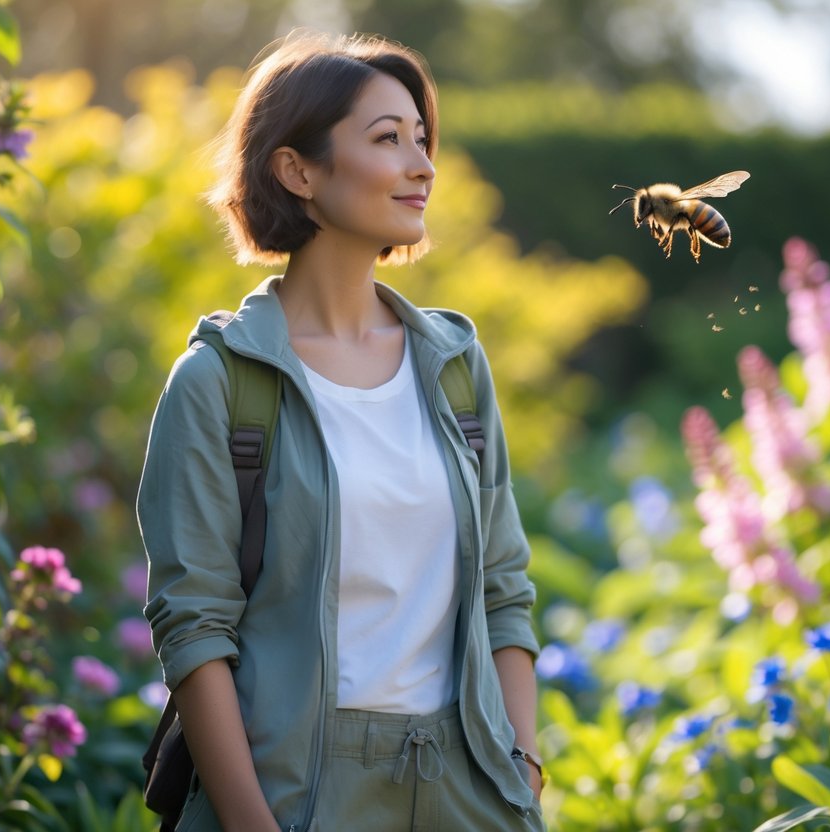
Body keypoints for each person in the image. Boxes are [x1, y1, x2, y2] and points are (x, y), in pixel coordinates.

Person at [138, 31, 545, 832]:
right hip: (298, 790)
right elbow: (193, 627)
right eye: (387, 139)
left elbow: (503, 588)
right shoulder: (218, 383)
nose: (421, 165)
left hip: (469, 787)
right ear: (297, 171)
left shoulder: (454, 367)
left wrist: (521, 771)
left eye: (422, 140)